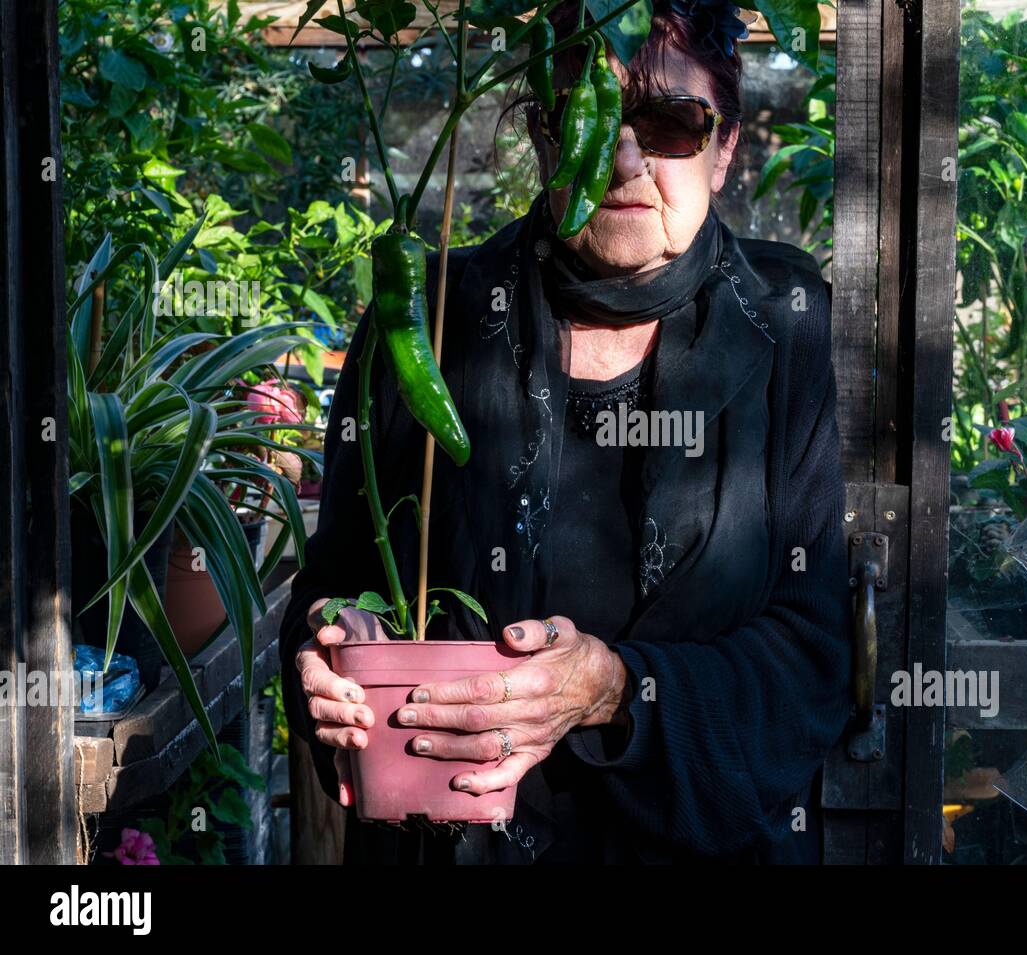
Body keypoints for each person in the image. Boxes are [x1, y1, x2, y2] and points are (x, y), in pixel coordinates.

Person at [281, 0, 851, 863]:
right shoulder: (425, 321)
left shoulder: (781, 327)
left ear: (726, 146)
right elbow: (330, 592)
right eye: (579, 114)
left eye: (667, 122)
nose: (619, 154)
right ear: (545, 137)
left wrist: (616, 690)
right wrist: (334, 652)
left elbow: (814, 661)